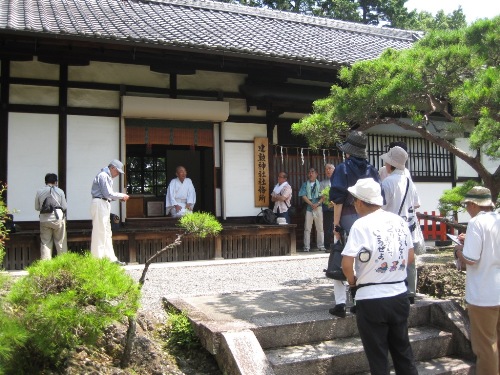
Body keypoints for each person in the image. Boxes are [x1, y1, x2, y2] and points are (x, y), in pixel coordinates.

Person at [341, 178, 417, 375]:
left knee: (378, 358)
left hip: (371, 298)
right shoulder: (399, 221)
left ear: (359, 201)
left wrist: (353, 282)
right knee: (403, 352)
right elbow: (410, 256)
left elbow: (346, 264)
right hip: (399, 294)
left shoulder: (360, 225)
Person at [328, 130, 381, 317]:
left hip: (347, 216)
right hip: (371, 218)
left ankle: (340, 304)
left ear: (348, 151)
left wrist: (335, 225)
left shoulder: (342, 169)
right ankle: (360, 301)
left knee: (341, 256)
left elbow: (338, 200)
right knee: (364, 259)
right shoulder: (372, 170)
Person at [454, 186, 499, 375]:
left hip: (483, 294)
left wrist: (458, 250)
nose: (467, 209)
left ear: (473, 204)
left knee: (485, 346)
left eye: (467, 205)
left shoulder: (476, 223)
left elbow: (471, 259)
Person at [380, 146, 421, 304]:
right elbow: (416, 204)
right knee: (410, 260)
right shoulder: (409, 182)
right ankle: (411, 292)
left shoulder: (387, 183)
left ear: (390, 165)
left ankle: (394, 289)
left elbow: (381, 206)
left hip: (392, 227)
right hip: (409, 225)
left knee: (391, 257)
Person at [90, 159, 129, 265]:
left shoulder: (106, 176)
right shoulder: (103, 175)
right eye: (117, 171)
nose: (117, 174)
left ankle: (110, 258)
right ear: (112, 168)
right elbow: (108, 193)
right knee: (100, 232)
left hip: (104, 203)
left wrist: (118, 197)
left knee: (107, 233)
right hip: (100, 203)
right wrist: (122, 195)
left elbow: (108, 195)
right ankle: (97, 260)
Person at [34, 173, 68, 260]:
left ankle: (46, 265)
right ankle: (63, 263)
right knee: (60, 242)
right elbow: (64, 207)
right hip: (58, 218)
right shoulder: (60, 191)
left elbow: (37, 207)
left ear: (46, 181)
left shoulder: (39, 191)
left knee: (45, 242)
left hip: (44, 219)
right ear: (56, 182)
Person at [298, 167, 325, 252]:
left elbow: (323, 196)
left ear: (316, 174)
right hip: (309, 208)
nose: (310, 174)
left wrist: (317, 203)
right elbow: (303, 196)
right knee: (307, 228)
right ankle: (306, 247)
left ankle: (321, 245)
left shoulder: (320, 184)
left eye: (312, 172)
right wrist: (311, 204)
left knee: (320, 228)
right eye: (309, 172)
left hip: (318, 207)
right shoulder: (305, 184)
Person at [320, 164, 335, 250]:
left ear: (334, 170)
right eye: (326, 169)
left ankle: (337, 244)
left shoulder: (338, 181)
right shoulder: (322, 183)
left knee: (336, 226)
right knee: (327, 226)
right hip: (327, 207)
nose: (328, 171)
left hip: (337, 206)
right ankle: (328, 245)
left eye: (329, 168)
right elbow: (321, 195)